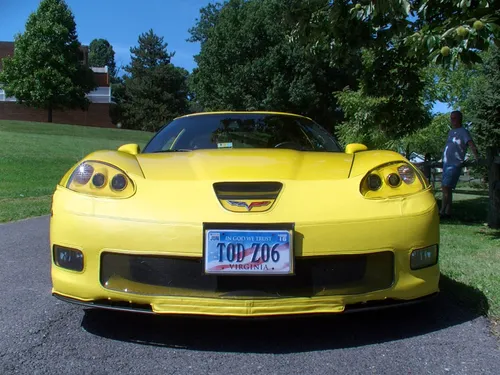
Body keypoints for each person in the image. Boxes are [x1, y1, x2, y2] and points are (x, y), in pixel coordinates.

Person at [440, 110, 479, 218]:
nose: (452, 120)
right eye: (451, 118)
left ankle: (441, 211)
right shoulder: (451, 132)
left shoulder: (463, 132)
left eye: (454, 118)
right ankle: (448, 212)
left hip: (455, 164)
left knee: (445, 187)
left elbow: (471, 144)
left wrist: (476, 156)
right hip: (446, 163)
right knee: (448, 189)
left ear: (460, 119)